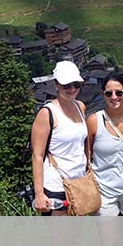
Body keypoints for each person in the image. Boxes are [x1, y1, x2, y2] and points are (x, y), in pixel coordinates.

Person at [30, 60, 88, 216]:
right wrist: (39, 193)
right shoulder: (47, 113)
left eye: (76, 85)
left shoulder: (80, 106)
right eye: (66, 85)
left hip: (79, 183)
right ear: (56, 85)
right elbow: (37, 155)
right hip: (56, 186)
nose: (72, 89)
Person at [86, 74, 123, 216]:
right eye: (108, 93)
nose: (114, 97)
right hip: (103, 190)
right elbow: (87, 154)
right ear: (103, 94)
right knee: (108, 238)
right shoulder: (94, 121)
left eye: (119, 92)